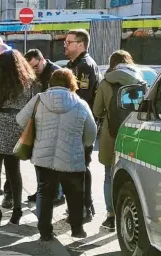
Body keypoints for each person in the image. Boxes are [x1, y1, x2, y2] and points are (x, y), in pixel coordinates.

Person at [17, 68, 97, 240]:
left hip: (43, 157)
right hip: (72, 158)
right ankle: (77, 229)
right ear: (71, 84)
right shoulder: (80, 104)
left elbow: (20, 119)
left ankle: (45, 231)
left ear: (50, 83)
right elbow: (91, 135)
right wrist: (78, 144)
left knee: (44, 193)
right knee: (75, 194)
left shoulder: (38, 100)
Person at [0, 49, 36, 227]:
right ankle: (17, 210)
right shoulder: (28, 82)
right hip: (19, 126)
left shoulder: (1, 82)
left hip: (1, 125)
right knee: (14, 171)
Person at [93, 50, 143, 231]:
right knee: (134, 177)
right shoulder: (140, 80)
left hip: (111, 133)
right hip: (136, 133)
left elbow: (97, 110)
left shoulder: (106, 81)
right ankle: (131, 216)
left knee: (109, 175)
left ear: (112, 63)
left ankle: (110, 216)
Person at [65, 29, 100, 222]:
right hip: (78, 124)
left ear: (80, 44)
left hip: (81, 125)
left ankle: (84, 207)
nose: (66, 46)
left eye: (69, 42)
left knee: (80, 167)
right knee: (76, 167)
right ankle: (79, 206)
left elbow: (81, 99)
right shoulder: (75, 64)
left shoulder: (84, 66)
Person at [24, 49, 64, 205]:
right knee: (39, 160)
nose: (33, 70)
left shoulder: (55, 73)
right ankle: (42, 191)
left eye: (35, 66)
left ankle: (58, 194)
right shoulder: (33, 74)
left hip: (54, 122)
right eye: (30, 67)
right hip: (38, 121)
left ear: (42, 60)